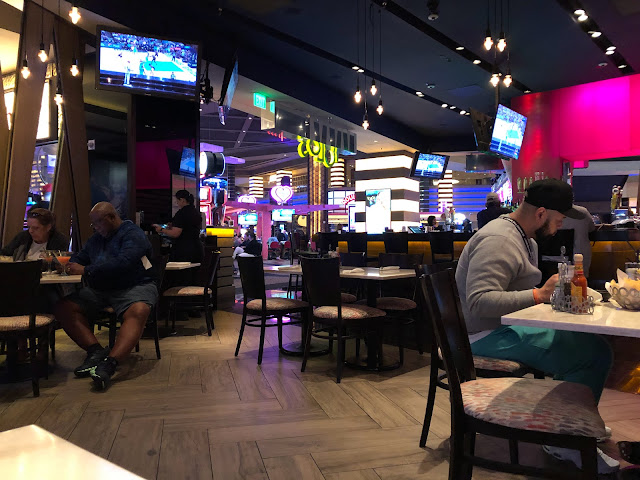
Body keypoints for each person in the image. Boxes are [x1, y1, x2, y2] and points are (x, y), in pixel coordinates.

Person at [455, 179, 618, 474]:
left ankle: (568, 425)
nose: (560, 226)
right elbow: (479, 301)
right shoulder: (499, 239)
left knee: (586, 343)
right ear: (541, 213)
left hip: (505, 327)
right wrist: (539, 294)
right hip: (482, 336)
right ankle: (565, 441)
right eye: (558, 220)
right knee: (592, 354)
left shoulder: (525, 238)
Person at [55, 203, 158, 390]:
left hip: (135, 286)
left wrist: (86, 270)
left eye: (98, 223)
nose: (95, 227)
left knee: (139, 310)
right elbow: (80, 257)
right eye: (93, 224)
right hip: (101, 291)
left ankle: (110, 363)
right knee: (64, 306)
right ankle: (95, 351)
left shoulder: (132, 234)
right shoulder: (96, 239)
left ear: (111, 217)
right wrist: (69, 264)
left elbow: (124, 262)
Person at [154, 190, 203, 264]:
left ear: (182, 200)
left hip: (184, 250)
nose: (177, 203)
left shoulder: (182, 213)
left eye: (177, 200)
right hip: (197, 249)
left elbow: (175, 233)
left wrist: (161, 229)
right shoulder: (195, 212)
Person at [1, 208, 69, 261]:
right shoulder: (23, 237)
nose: (30, 231)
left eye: (36, 228)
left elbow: (56, 264)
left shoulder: (59, 240)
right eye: (29, 227)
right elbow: (4, 253)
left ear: (48, 227)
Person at [559, 204, 596, 277]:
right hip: (580, 268)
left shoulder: (545, 215)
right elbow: (592, 228)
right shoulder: (583, 212)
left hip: (546, 267)